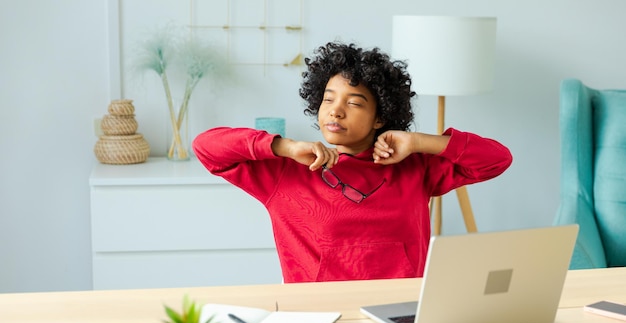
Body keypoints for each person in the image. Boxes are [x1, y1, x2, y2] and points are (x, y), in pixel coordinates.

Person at [193, 41, 513, 283]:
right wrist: (283, 146)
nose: (335, 110)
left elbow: (497, 160)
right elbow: (206, 147)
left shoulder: (416, 168)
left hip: (400, 310)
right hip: (317, 318)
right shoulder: (285, 172)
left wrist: (417, 141)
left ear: (380, 117)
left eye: (354, 103)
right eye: (328, 99)